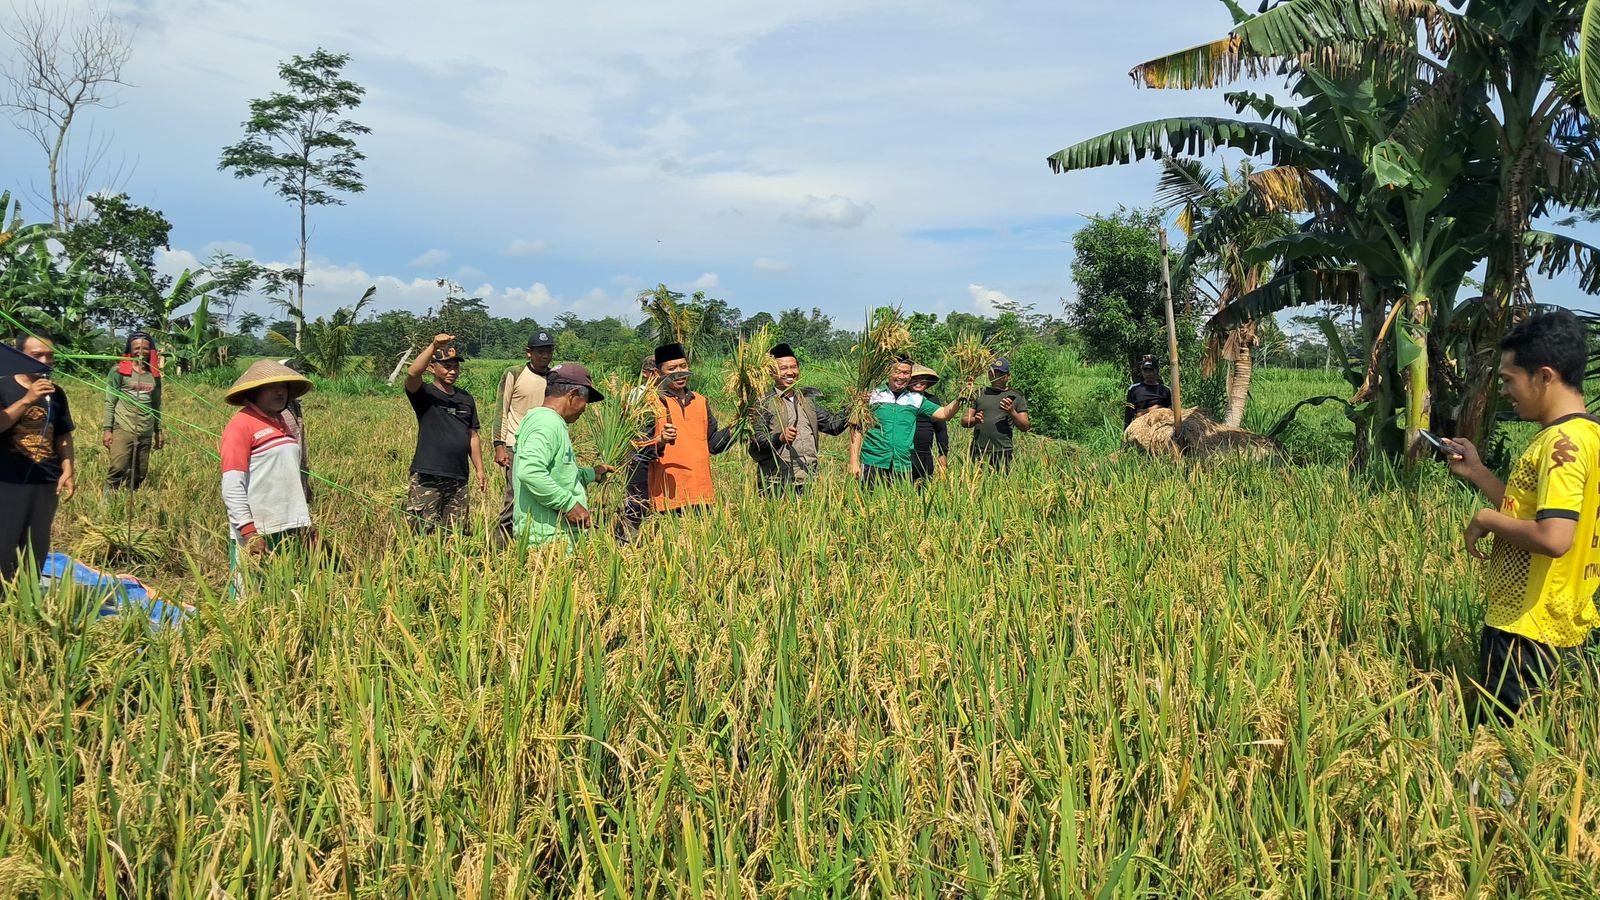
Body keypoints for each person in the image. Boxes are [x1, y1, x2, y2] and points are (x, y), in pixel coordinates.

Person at [1442, 310, 1600, 723]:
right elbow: (1531, 512)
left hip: (1525, 630)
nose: (1506, 391)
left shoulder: (1560, 444)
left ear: (1544, 376)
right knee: (1541, 744)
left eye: (1510, 379)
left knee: (1503, 749)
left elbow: (1553, 537)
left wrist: (1485, 520)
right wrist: (1477, 472)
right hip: (1563, 623)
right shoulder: (1590, 435)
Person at [220, 359, 314, 585]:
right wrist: (249, 533)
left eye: (283, 387)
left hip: (287, 526)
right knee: (250, 599)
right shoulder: (241, 425)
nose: (280, 392)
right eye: (271, 387)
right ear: (254, 391)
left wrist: (305, 522)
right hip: (257, 529)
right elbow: (232, 484)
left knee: (282, 595)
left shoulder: (281, 422)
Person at [624, 342, 736, 531]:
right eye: (672, 368)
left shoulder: (700, 401)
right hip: (666, 494)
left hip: (699, 491)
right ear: (658, 373)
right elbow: (635, 448)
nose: (680, 372)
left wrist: (735, 428)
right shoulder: (648, 403)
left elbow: (712, 445)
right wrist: (659, 440)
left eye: (683, 366)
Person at [511, 363, 614, 548]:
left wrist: (593, 473)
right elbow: (530, 472)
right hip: (548, 540)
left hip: (557, 535)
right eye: (585, 401)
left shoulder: (550, 421)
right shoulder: (546, 423)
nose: (584, 409)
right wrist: (569, 505)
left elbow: (557, 472)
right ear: (573, 394)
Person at [0, 336, 76, 583]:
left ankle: (27, 596)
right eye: (37, 356)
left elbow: (62, 433)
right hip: (7, 479)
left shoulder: (56, 393)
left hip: (46, 478)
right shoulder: (3, 388)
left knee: (37, 540)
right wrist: (26, 400)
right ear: (19, 356)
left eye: (49, 356)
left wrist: (68, 468)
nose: (45, 361)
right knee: (4, 538)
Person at [404, 334, 487, 534]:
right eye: (446, 366)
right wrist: (433, 346)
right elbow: (413, 373)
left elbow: (472, 435)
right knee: (420, 530)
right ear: (432, 368)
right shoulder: (424, 394)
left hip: (458, 475)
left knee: (455, 533)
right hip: (429, 473)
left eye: (455, 367)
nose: (452, 371)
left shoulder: (465, 398)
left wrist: (480, 469)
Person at [747, 343, 847, 497]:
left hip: (807, 480)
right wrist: (779, 438)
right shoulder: (764, 402)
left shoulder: (806, 401)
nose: (790, 372)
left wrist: (855, 405)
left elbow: (833, 425)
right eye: (783, 368)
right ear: (772, 373)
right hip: (775, 481)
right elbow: (757, 441)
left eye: (793, 367)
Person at [848, 359, 963, 488]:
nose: (902, 377)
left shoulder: (916, 399)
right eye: (898, 372)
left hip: (902, 463)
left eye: (906, 373)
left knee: (900, 503)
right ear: (888, 372)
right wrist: (853, 461)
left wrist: (961, 395)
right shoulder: (872, 396)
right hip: (873, 460)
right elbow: (857, 429)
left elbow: (945, 414)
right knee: (869, 503)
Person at [492, 330, 555, 541]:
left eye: (549, 351)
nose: (545, 356)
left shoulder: (555, 377)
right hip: (516, 444)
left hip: (545, 445)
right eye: (540, 352)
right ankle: (499, 546)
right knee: (514, 497)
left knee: (544, 495)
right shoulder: (515, 373)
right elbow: (501, 408)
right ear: (529, 352)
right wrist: (499, 445)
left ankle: (534, 542)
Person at [102, 331, 163, 490]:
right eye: (137, 348)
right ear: (130, 349)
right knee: (118, 467)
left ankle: (131, 497)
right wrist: (107, 429)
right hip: (123, 426)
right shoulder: (118, 371)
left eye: (145, 348)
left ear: (151, 351)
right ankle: (108, 500)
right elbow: (110, 401)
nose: (140, 352)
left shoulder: (154, 375)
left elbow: (156, 404)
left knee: (140, 472)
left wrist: (158, 430)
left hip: (146, 429)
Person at [963, 356, 1031, 470]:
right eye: (993, 374)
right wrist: (975, 420)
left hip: (1002, 451)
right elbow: (964, 421)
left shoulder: (1016, 396)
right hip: (979, 449)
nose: (996, 378)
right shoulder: (979, 393)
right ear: (989, 375)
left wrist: (1012, 412)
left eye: (1001, 375)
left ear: (1008, 376)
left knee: (1002, 484)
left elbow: (1025, 426)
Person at [907, 365, 949, 486]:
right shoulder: (902, 399)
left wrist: (943, 454)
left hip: (925, 454)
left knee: (923, 490)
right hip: (905, 455)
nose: (919, 382)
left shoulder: (932, 400)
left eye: (922, 379)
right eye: (915, 379)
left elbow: (941, 430)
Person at [1125, 356, 1173, 426]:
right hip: (1140, 425)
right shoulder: (1134, 390)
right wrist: (1154, 408)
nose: (1148, 374)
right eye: (1145, 371)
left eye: (1151, 370)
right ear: (1142, 372)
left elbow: (1169, 412)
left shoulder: (1165, 390)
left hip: (1160, 425)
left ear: (1157, 371)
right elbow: (1129, 413)